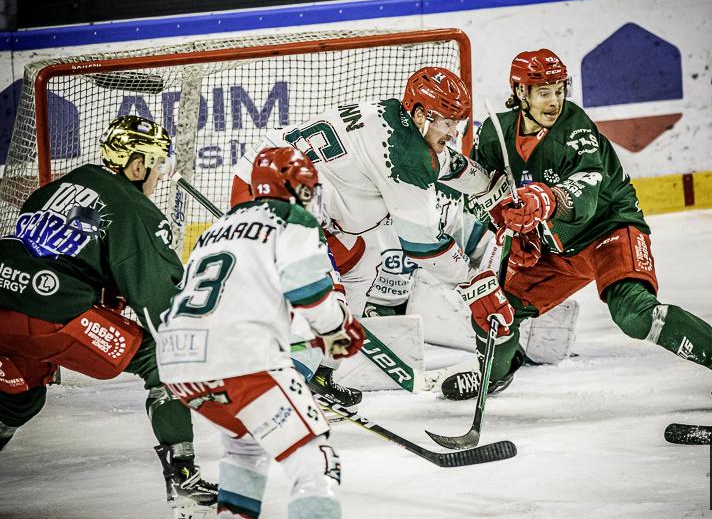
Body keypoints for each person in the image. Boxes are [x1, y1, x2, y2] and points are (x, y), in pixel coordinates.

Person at [441, 49, 712, 410]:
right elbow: (479, 193)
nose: (555, 101)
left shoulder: (575, 127)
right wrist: (505, 219)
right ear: (521, 92)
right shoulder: (495, 133)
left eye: (559, 90)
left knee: (634, 314)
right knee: (496, 308)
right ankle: (494, 374)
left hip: (608, 228)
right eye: (544, 92)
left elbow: (585, 191)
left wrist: (546, 201)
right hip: (555, 246)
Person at [228, 67, 514, 407]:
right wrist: (472, 283)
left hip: (298, 191)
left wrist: (492, 189)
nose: (454, 133)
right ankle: (284, 393)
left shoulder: (397, 120)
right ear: (420, 115)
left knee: (360, 265)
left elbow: (448, 163)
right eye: (448, 122)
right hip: (272, 191)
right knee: (318, 294)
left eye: (458, 123)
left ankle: (320, 373)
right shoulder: (403, 155)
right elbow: (422, 245)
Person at [0, 115, 217, 514]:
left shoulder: (60, 186)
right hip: (50, 313)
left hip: (3, 303)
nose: (158, 177)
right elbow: (161, 304)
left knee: (21, 397)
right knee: (163, 356)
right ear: (137, 165)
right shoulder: (133, 208)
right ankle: (183, 474)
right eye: (156, 165)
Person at [156, 147, 365, 519]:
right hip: (240, 359)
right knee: (314, 460)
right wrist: (338, 329)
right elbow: (309, 293)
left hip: (177, 365)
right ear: (298, 188)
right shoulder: (293, 219)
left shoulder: (216, 229)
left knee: (246, 447)